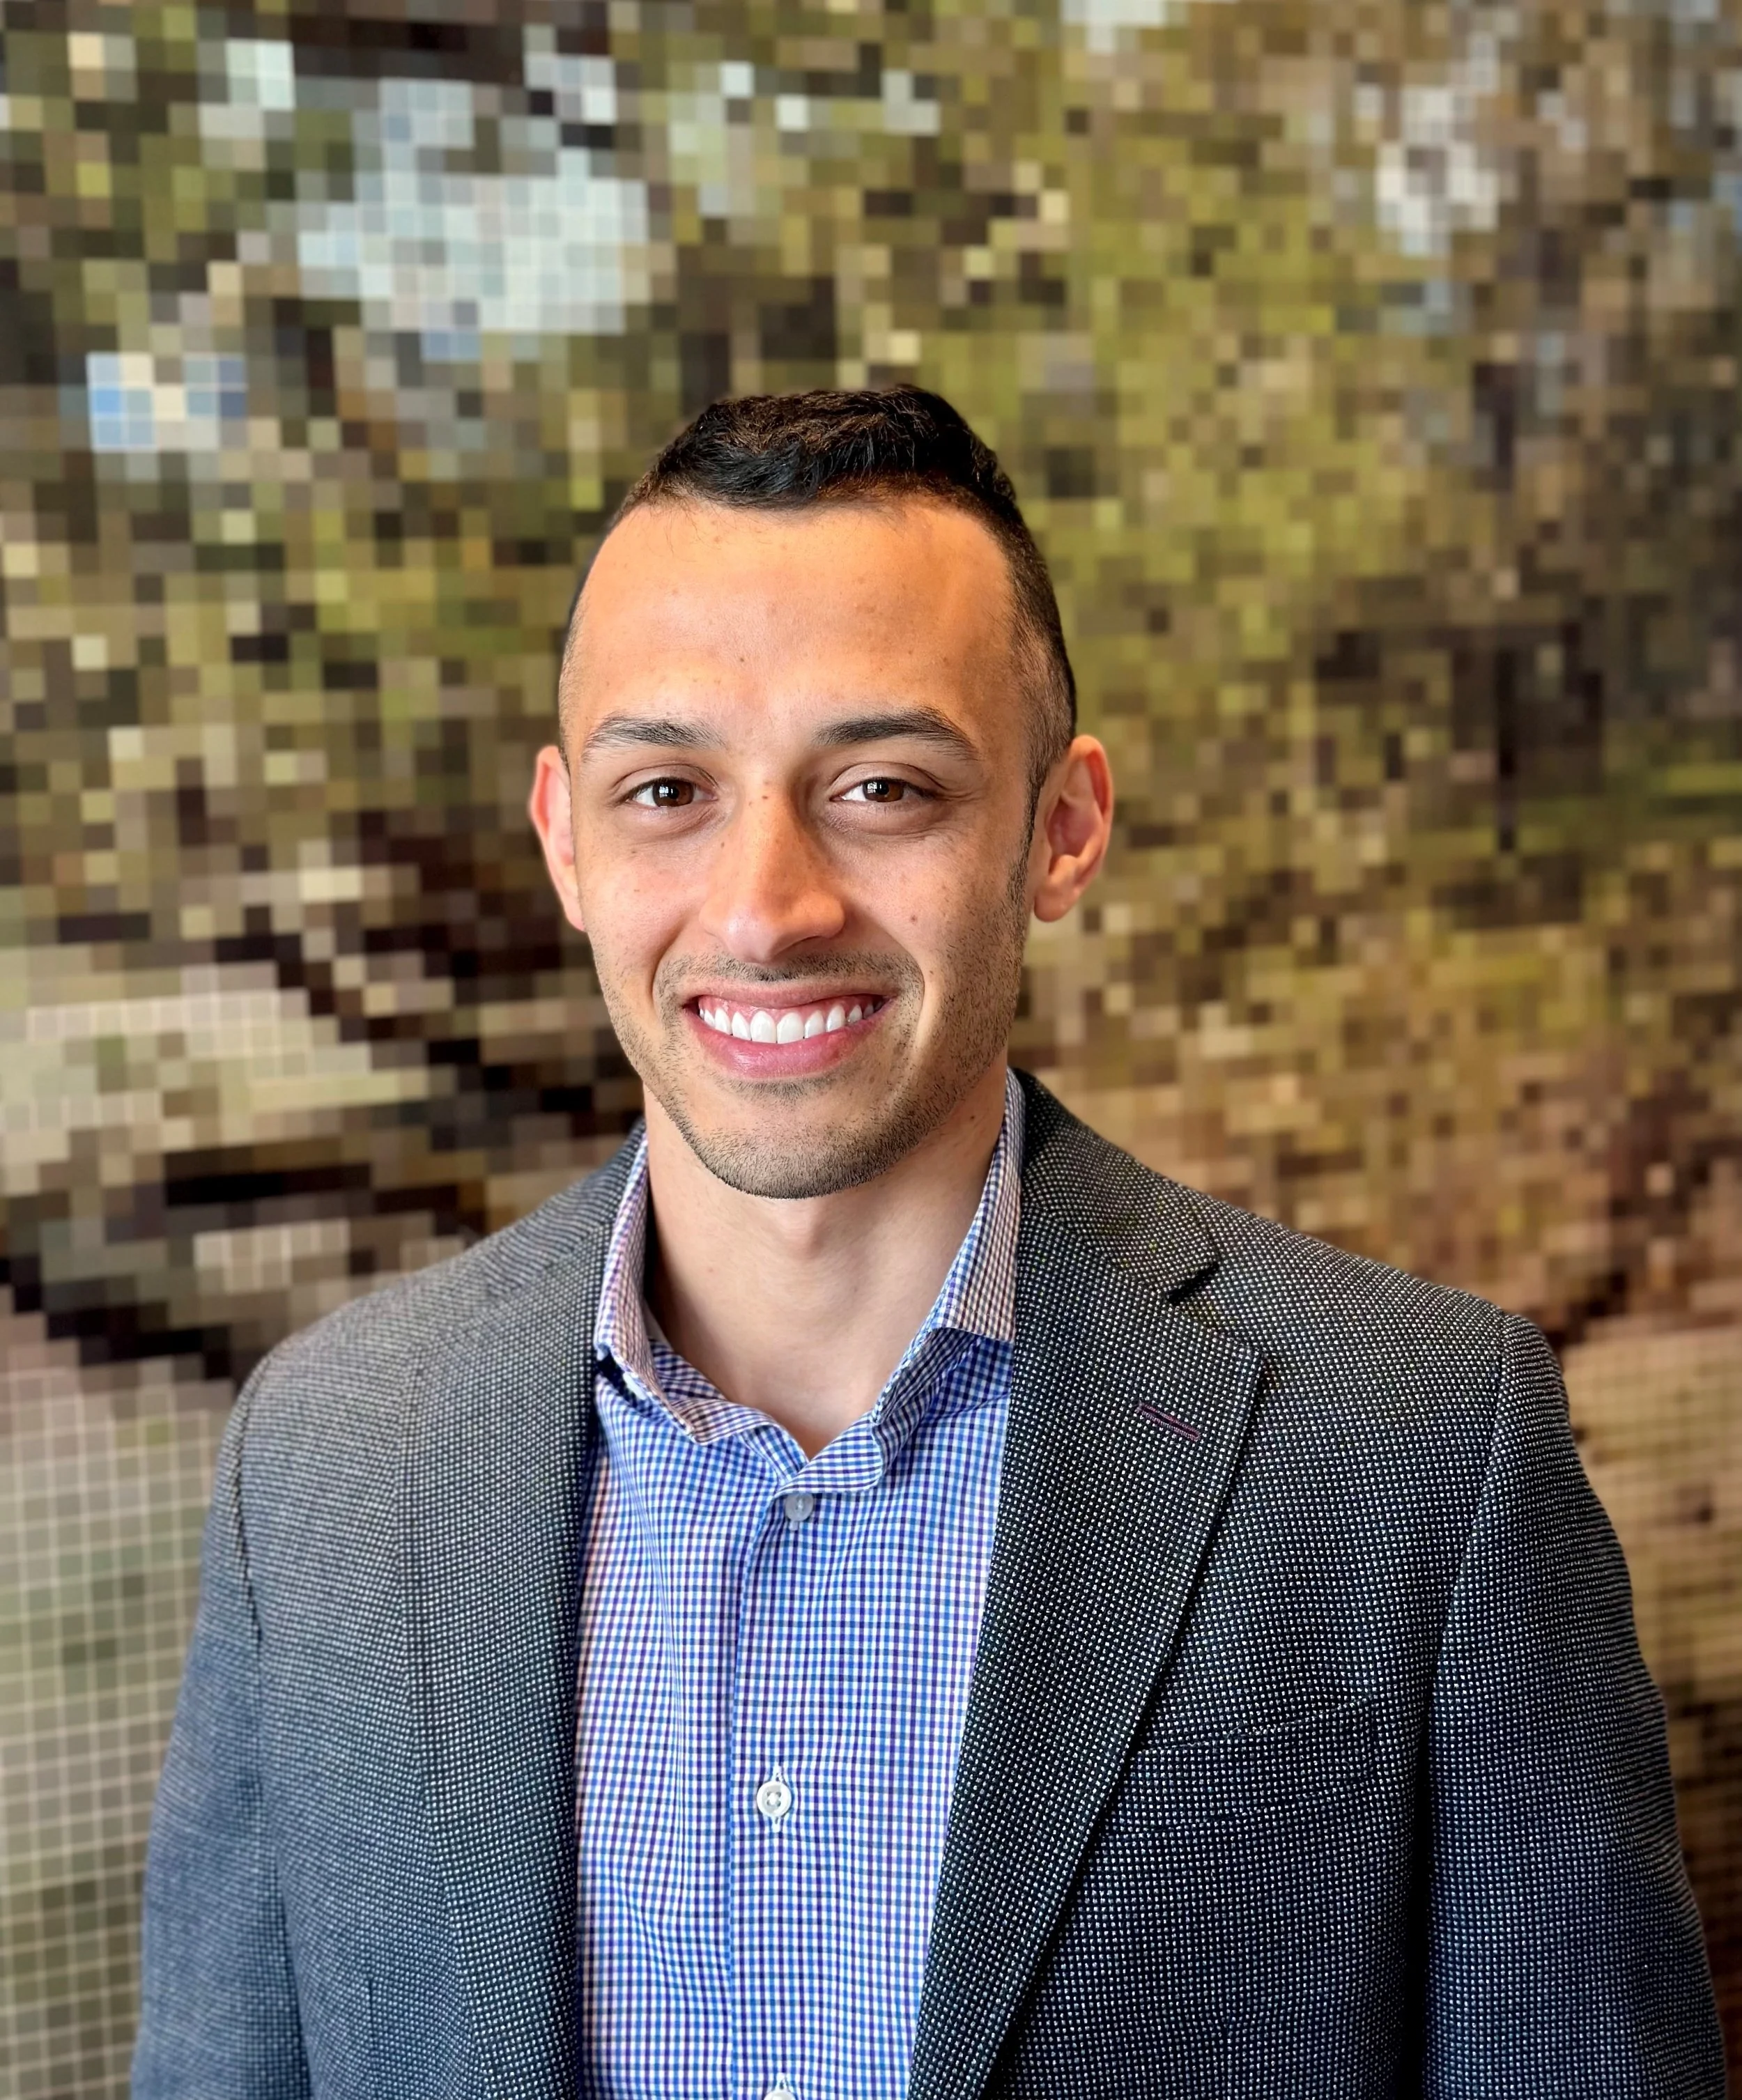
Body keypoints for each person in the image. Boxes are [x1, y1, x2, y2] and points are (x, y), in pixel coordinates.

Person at [132, 385, 1724, 2100]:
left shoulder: (1420, 1457)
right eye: (667, 787)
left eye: (882, 785)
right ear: (565, 841)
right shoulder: (319, 1464)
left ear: (1060, 826)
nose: (764, 905)